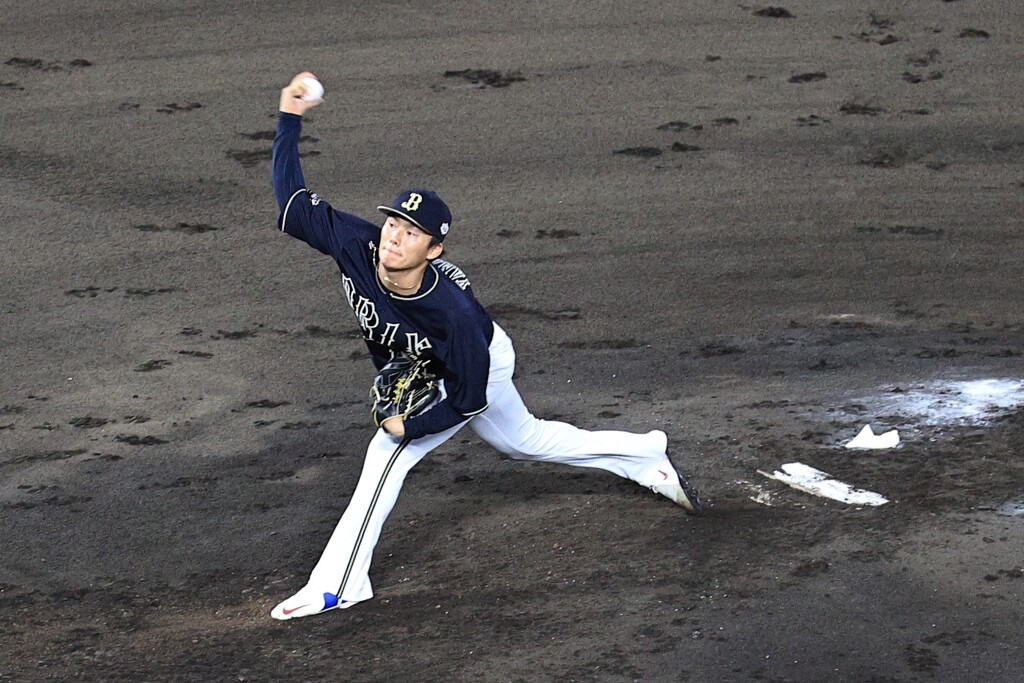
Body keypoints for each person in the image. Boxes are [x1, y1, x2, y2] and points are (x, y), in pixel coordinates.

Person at [268, 72, 702, 620]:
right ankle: (645, 453)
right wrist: (289, 118)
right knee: (526, 442)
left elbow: (469, 397)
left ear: (434, 247)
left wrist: (413, 426)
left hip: (478, 366)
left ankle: (340, 583)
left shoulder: (454, 314)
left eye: (410, 232)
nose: (394, 238)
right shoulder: (357, 243)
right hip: (430, 365)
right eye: (393, 224)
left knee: (386, 455)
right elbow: (291, 205)